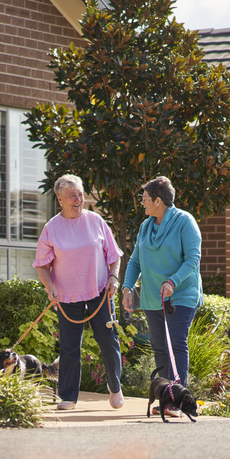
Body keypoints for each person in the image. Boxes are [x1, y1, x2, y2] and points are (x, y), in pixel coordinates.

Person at [34, 174, 124, 411]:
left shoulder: (95, 221)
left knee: (107, 339)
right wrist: (49, 287)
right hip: (66, 296)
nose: (78, 199)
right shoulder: (51, 228)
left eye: (81, 194)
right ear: (60, 199)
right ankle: (68, 397)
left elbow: (114, 256)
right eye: (72, 195)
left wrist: (114, 277)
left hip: (99, 291)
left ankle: (115, 387)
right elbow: (42, 265)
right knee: (69, 345)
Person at [121, 176, 201, 410]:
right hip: (153, 298)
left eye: (146, 199)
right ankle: (167, 398)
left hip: (180, 295)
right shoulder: (146, 226)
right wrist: (127, 287)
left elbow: (193, 259)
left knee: (175, 344)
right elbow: (135, 260)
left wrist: (173, 282)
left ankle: (177, 401)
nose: (142, 203)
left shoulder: (185, 222)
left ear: (159, 201)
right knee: (159, 347)